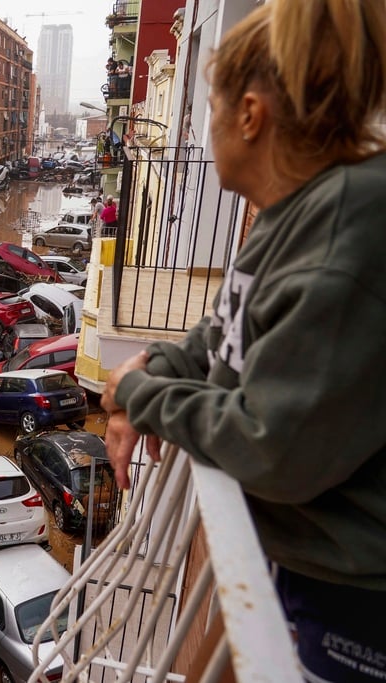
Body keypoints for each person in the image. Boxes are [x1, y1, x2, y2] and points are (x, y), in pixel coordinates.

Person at [100, 2, 386, 681]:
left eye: (210, 107)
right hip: (309, 569)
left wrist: (140, 390)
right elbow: (223, 329)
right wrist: (159, 365)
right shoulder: (300, 212)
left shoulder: (347, 226)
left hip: (353, 608)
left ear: (251, 115)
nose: (205, 128)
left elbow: (271, 445)